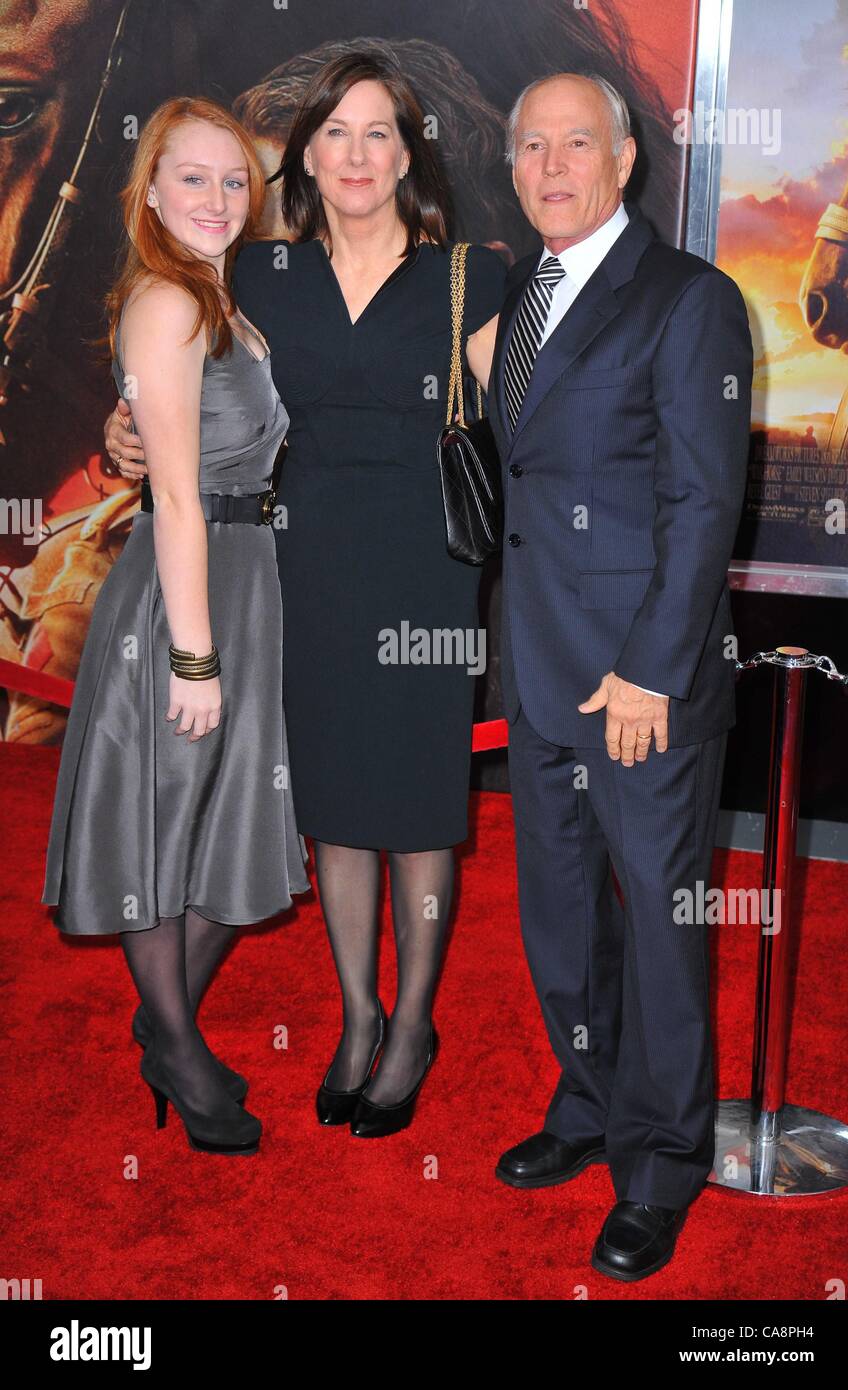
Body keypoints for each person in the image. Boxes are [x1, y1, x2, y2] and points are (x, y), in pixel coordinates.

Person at [104, 53, 507, 1139]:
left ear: (408, 152)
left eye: (381, 133)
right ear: (306, 155)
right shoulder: (263, 274)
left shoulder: (471, 274)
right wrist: (123, 431)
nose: (359, 154)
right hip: (303, 570)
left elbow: (532, 426)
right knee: (331, 809)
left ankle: (412, 1025)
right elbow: (195, 375)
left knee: (421, 811)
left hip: (429, 571)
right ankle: (356, 1014)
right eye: (338, 133)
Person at [486, 74, 752, 1280]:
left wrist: (650, 670)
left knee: (658, 924)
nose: (552, 164)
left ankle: (659, 1162)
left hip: (643, 682)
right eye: (531, 145)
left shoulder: (689, 299)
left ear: (626, 157)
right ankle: (587, 1105)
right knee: (558, 915)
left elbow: (705, 504)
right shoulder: (514, 298)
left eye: (576, 142)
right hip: (536, 668)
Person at [43, 96, 310, 1156]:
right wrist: (193, 656)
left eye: (233, 178)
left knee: (222, 826)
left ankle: (165, 1029)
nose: (215, 196)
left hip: (245, 581)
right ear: (149, 189)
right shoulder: (170, 303)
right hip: (184, 589)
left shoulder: (225, 304)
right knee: (166, 820)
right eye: (191, 176)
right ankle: (180, 1047)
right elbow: (184, 500)